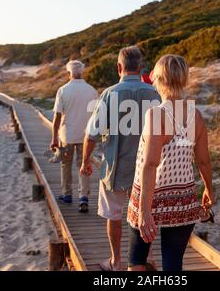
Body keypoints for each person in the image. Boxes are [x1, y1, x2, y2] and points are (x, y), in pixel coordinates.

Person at [127, 54, 215, 271]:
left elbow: (150, 164)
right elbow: (203, 162)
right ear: (184, 80)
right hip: (182, 199)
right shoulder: (196, 116)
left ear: (158, 79)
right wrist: (209, 191)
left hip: (149, 196)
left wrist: (145, 211)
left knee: (137, 260)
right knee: (173, 265)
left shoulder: (156, 114)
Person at [80, 46, 161, 271]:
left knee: (113, 215)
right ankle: (148, 259)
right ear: (141, 67)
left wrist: (86, 161)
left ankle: (116, 261)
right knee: (144, 213)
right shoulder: (154, 93)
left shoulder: (109, 93)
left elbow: (92, 134)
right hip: (148, 168)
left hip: (115, 168)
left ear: (119, 67)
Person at [51, 60, 98, 212]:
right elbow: (97, 116)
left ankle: (67, 194)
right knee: (83, 165)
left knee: (65, 165)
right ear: (82, 72)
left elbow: (57, 117)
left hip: (67, 135)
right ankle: (83, 197)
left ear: (68, 73)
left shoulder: (63, 90)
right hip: (86, 136)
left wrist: (54, 138)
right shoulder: (92, 90)